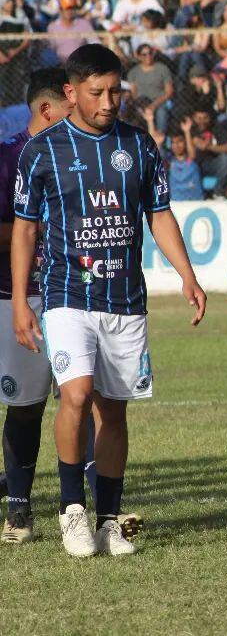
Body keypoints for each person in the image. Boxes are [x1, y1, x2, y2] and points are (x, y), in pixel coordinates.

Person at [11, 44, 206, 557]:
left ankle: (110, 519)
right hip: (66, 295)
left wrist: (188, 276)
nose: (108, 101)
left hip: (124, 298)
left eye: (115, 91)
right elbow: (25, 231)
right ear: (71, 93)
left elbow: (159, 215)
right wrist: (19, 302)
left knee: (112, 412)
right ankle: (72, 509)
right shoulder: (43, 150)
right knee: (74, 395)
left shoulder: (139, 146)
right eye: (96, 92)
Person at [0, 68, 73, 544]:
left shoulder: (81, 154)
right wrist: (44, 230)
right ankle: (20, 510)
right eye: (71, 107)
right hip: (16, 297)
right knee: (24, 407)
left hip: (76, 294)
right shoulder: (8, 159)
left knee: (83, 401)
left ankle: (88, 509)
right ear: (47, 109)